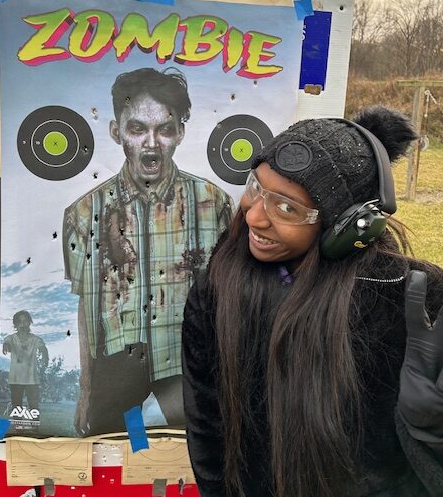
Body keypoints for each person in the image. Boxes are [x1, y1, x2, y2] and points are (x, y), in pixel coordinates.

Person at [182, 105, 443, 497]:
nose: (254, 217)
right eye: (256, 188)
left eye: (287, 207)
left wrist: (431, 433)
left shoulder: (415, 299)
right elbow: (210, 437)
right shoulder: (218, 289)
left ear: (347, 227)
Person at [63, 67, 234, 436]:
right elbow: (87, 306)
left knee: (182, 464)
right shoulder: (84, 213)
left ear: (180, 133)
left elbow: (230, 298)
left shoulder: (214, 204)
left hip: (189, 373)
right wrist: (86, 389)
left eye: (165, 129)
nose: (151, 143)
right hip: (116, 377)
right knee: (121, 457)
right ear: (117, 132)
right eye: (137, 128)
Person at [2, 310, 48, 412]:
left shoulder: (35, 339)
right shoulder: (11, 338)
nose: (22, 325)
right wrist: (6, 346)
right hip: (15, 379)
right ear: (15, 324)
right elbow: (7, 343)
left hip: (32, 379)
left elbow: (43, 348)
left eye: (25, 321)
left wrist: (45, 357)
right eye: (19, 322)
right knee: (16, 407)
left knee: (34, 407)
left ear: (29, 322)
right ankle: (18, 422)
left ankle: (34, 422)